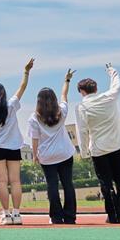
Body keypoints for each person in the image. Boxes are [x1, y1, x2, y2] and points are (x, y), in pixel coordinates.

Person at [76, 63, 120, 224]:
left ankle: (114, 216)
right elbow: (117, 85)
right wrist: (112, 71)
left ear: (82, 92)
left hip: (98, 149)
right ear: (95, 88)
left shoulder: (82, 107)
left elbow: (82, 131)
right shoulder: (109, 97)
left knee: (106, 184)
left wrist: (83, 152)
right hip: (116, 146)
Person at [0, 58, 34, 225]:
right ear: (3, 94)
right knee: (16, 181)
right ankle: (17, 214)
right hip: (13, 147)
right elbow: (22, 87)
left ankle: (5, 214)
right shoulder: (11, 105)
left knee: (2, 181)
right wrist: (26, 71)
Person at [28, 69, 77, 224]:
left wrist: (35, 155)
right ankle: (70, 216)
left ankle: (56, 216)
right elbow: (64, 95)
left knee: (52, 186)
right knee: (68, 184)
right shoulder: (61, 112)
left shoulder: (34, 118)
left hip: (47, 157)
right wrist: (67, 80)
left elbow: (34, 140)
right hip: (65, 153)